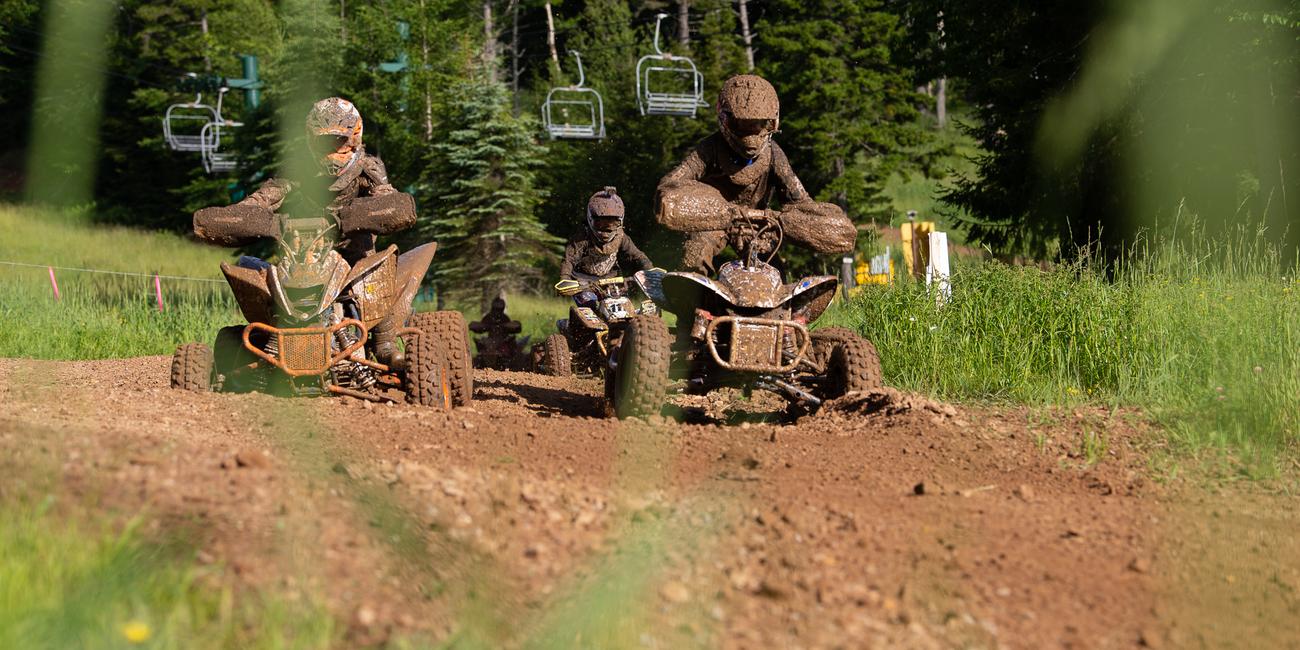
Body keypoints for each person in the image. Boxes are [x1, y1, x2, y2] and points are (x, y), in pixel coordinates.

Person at [191, 97, 418, 363]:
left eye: (337, 141)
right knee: (254, 275)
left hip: (355, 256)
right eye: (322, 142)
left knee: (378, 272)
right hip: (302, 256)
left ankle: (384, 343)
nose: (329, 149)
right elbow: (260, 201)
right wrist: (245, 219)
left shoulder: (367, 168)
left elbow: (390, 200)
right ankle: (263, 346)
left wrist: (353, 217)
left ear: (354, 137)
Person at [654, 74, 856, 275]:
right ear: (725, 119)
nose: (751, 134)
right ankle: (693, 291)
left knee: (772, 271)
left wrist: (785, 220)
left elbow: (801, 203)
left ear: (772, 123)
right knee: (695, 254)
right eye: (742, 125)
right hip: (712, 222)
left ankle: (777, 295)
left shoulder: (774, 154)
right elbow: (670, 186)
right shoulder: (709, 149)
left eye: (760, 124)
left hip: (758, 227)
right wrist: (709, 209)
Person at [559, 186, 656, 307]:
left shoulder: (621, 237)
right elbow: (569, 259)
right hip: (584, 283)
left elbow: (637, 256)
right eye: (600, 223)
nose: (606, 229)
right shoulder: (582, 238)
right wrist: (565, 278)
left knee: (624, 308)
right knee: (589, 306)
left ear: (620, 221)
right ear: (590, 219)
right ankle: (579, 319)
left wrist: (650, 271)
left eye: (612, 223)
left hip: (611, 282)